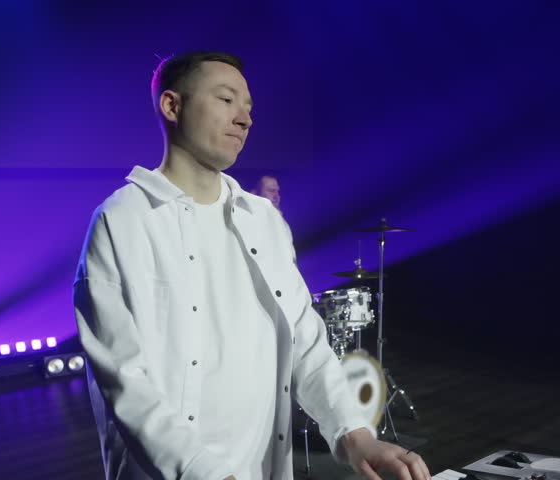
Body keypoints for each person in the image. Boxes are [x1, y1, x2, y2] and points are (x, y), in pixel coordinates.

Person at [73, 51, 429, 480]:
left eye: (248, 108)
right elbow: (123, 378)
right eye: (226, 100)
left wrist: (354, 433)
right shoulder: (122, 220)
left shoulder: (263, 220)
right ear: (171, 105)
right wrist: (205, 472)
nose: (244, 119)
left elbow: (306, 342)